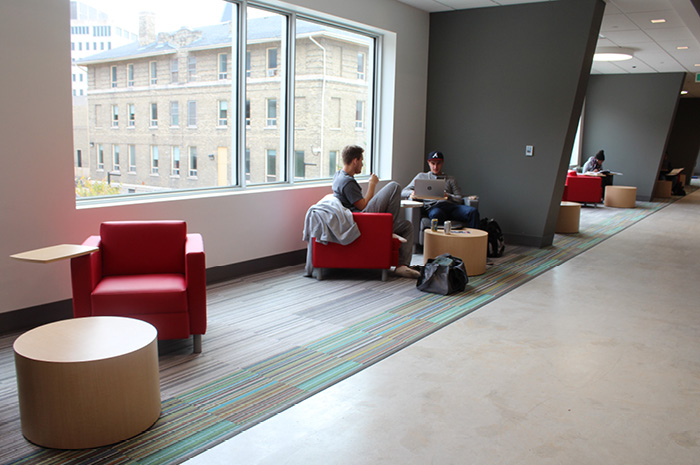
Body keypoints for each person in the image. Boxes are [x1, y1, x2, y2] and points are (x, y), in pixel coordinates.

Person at [332, 145, 420, 279]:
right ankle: (390, 229)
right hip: (363, 219)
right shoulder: (347, 182)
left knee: (407, 226)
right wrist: (372, 184)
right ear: (355, 160)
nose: (362, 164)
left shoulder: (339, 175)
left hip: (359, 216)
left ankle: (402, 266)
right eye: (361, 160)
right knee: (394, 186)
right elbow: (363, 206)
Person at [401, 151, 479, 229]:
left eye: (438, 163)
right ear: (428, 163)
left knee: (473, 211)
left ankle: (474, 239)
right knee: (436, 214)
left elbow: (459, 199)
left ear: (442, 163)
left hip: (451, 207)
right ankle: (441, 239)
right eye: (433, 163)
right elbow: (403, 192)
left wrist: (448, 196)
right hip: (434, 207)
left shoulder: (450, 179)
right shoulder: (421, 176)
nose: (435, 167)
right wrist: (413, 193)